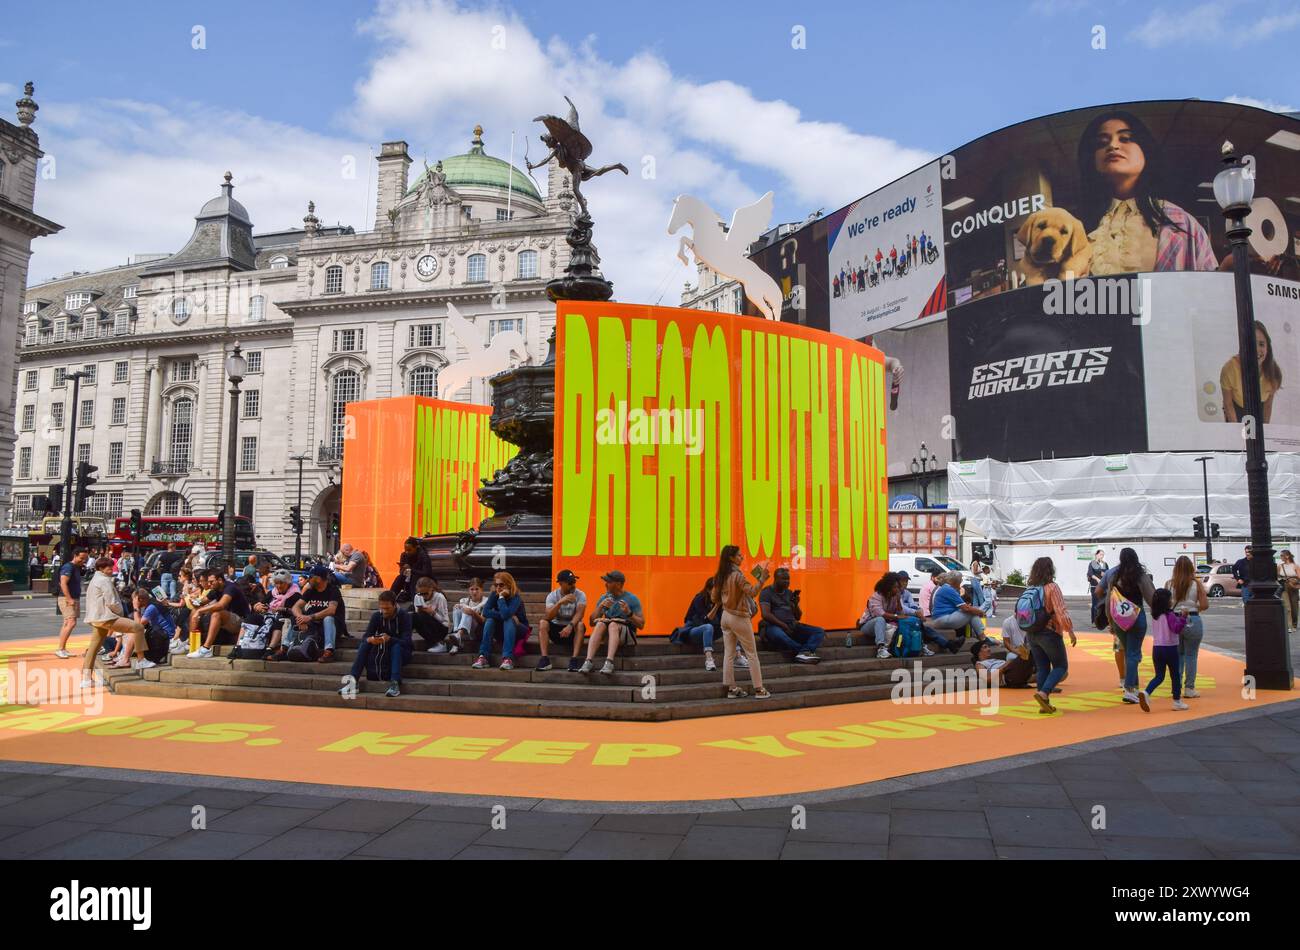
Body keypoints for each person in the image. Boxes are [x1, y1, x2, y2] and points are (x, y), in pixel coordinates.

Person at [1076, 110, 1218, 275]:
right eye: (1101, 142)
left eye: (1126, 139)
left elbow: (1208, 290)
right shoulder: (1075, 227)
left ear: (1146, 150)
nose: (1113, 146)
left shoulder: (1183, 222)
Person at [710, 545, 770, 699]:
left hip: (725, 616)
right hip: (739, 617)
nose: (742, 558)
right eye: (739, 555)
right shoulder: (737, 576)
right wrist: (762, 578)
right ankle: (759, 689)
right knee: (751, 654)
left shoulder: (720, 576)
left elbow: (713, 598)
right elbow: (753, 591)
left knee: (728, 654)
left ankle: (731, 688)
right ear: (732, 558)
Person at [1099, 546, 1157, 704]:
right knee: (1133, 654)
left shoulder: (1114, 576)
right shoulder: (1140, 575)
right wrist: (1159, 612)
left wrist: (1110, 621)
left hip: (1119, 620)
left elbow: (1108, 601)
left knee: (1128, 653)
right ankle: (1130, 689)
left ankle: (1134, 687)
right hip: (1136, 617)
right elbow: (1150, 596)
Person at [83, 557, 150, 687]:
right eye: (109, 568)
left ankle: (86, 679)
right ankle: (142, 660)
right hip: (106, 617)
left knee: (93, 648)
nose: (111, 570)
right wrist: (120, 613)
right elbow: (112, 602)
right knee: (138, 627)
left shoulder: (95, 580)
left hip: (96, 618)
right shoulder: (104, 581)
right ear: (101, 569)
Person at [1023, 557, 1076, 714]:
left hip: (1032, 632)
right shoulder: (1052, 587)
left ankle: (1044, 704)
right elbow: (1060, 611)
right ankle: (1044, 692)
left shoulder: (1030, 588)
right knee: (1061, 666)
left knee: (1042, 667)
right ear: (1050, 570)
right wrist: (1070, 630)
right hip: (1049, 632)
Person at [341, 590, 411, 698]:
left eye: (387, 608)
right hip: (382, 651)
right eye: (382, 608)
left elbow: (407, 643)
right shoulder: (377, 616)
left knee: (396, 647)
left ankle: (395, 684)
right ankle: (353, 682)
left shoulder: (405, 616)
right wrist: (371, 639)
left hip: (401, 652)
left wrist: (390, 639)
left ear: (395, 605)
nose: (384, 611)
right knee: (365, 644)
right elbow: (365, 637)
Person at [581, 570, 645, 675]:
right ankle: (588, 661)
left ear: (619, 584)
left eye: (609, 582)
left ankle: (609, 662)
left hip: (627, 637)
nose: (606, 584)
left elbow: (641, 625)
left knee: (613, 624)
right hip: (609, 636)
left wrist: (629, 613)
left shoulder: (632, 599)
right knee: (601, 623)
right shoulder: (604, 598)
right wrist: (600, 607)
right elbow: (592, 622)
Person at [1220, 321, 1283, 424]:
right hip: (1235, 407)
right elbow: (1228, 404)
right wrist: (1236, 430)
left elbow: (1267, 406)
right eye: (1251, 344)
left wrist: (1265, 431)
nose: (1257, 350)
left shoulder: (1274, 374)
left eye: (1261, 344)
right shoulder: (1229, 369)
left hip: (1258, 407)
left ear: (1268, 348)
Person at [1138, 588, 1190, 712]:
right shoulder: (1169, 615)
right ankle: (1177, 701)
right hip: (1170, 648)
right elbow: (1176, 629)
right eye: (1170, 598)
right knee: (1175, 676)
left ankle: (1146, 692)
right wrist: (1183, 618)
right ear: (1166, 601)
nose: (1172, 601)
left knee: (1159, 676)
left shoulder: (1155, 615)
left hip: (1157, 648)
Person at [759, 567, 825, 663]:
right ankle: (803, 651)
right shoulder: (766, 592)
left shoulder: (789, 593)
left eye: (788, 579)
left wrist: (795, 605)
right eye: (784, 579)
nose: (787, 582)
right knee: (779, 635)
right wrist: (783, 625)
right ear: (776, 579)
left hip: (792, 626)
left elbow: (798, 617)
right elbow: (765, 614)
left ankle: (803, 652)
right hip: (774, 626)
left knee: (819, 632)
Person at [1167, 555, 1209, 699]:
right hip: (1193, 619)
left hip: (1175, 621)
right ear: (1191, 568)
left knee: (1178, 655)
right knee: (1191, 655)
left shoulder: (1169, 584)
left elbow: (1166, 606)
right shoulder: (1196, 584)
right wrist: (1193, 606)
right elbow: (1204, 605)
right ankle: (1189, 688)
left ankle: (1176, 687)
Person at [186, 570, 252, 658]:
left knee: (217, 613)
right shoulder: (215, 590)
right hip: (228, 620)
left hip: (241, 621)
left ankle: (206, 649)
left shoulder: (230, 588)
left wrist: (200, 611)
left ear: (220, 580)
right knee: (194, 610)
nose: (209, 584)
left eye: (211, 582)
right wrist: (193, 600)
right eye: (208, 582)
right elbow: (200, 603)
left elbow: (221, 605)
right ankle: (191, 644)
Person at [290, 564, 349, 662]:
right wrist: (301, 618)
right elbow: (295, 607)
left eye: (311, 577)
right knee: (294, 618)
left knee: (328, 618)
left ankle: (329, 651)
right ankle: (284, 648)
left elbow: (331, 610)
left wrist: (309, 617)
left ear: (319, 579)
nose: (308, 579)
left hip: (333, 626)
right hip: (315, 625)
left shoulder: (333, 590)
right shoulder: (310, 591)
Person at [472, 572, 528, 671]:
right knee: (490, 620)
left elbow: (506, 615)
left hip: (519, 630)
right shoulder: (494, 595)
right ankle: (483, 657)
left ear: (509, 584)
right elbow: (485, 612)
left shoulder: (515, 597)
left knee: (509, 619)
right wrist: (503, 614)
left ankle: (507, 659)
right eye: (496, 585)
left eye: (501, 585)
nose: (498, 587)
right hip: (502, 629)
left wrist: (501, 598)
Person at [896, 571, 961, 655]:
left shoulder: (907, 593)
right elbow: (902, 609)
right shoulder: (896, 593)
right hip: (900, 619)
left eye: (906, 581)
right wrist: (916, 612)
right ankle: (948, 644)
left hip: (912, 619)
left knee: (926, 629)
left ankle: (948, 644)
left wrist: (918, 610)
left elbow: (913, 605)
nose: (905, 583)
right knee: (924, 629)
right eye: (903, 581)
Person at [539, 569, 587, 672]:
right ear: (561, 583)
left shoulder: (580, 594)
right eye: (570, 583)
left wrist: (570, 626)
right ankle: (544, 660)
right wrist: (559, 603)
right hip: (556, 630)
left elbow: (580, 614)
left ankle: (574, 660)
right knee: (543, 623)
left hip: (571, 630)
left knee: (580, 625)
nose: (573, 585)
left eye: (574, 581)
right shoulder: (552, 596)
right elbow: (548, 617)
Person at [670, 577, 721, 671]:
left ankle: (737, 655)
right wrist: (717, 606)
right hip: (693, 630)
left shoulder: (718, 602)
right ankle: (709, 659)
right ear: (709, 590)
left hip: (710, 632)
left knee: (731, 625)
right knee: (708, 627)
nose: (718, 593)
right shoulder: (699, 599)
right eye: (716, 590)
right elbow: (705, 620)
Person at [54, 548, 91, 660]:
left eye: (85, 558)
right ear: (75, 555)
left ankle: (62, 648)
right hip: (68, 598)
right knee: (71, 622)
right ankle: (60, 649)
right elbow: (63, 583)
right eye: (81, 558)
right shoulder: (68, 567)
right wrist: (69, 598)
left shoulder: (75, 567)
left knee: (67, 622)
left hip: (73, 597)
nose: (83, 560)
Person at [928, 571, 987, 641]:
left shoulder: (945, 588)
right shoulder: (948, 589)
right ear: (955, 582)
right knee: (971, 613)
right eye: (960, 581)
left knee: (972, 611)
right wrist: (981, 612)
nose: (961, 583)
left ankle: (980, 636)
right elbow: (966, 608)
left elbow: (962, 607)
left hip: (940, 618)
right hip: (942, 619)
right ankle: (982, 637)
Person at [859, 573, 906, 658]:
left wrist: (899, 602)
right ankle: (881, 649)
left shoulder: (894, 597)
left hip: (886, 624)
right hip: (868, 625)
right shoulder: (876, 596)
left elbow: (901, 614)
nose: (897, 589)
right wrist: (897, 616)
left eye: (898, 587)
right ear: (888, 587)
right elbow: (881, 614)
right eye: (895, 587)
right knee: (880, 619)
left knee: (909, 621)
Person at [260, 569, 304, 660]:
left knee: (279, 621)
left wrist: (283, 609)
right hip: (269, 617)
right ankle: (241, 646)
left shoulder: (295, 594)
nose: (278, 586)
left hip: (285, 619)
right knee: (252, 618)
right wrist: (259, 607)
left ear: (287, 582)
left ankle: (271, 648)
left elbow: (299, 611)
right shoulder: (271, 593)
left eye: (281, 583)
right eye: (276, 583)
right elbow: (262, 604)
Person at [446, 578, 487, 655]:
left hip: (476, 630)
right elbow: (462, 608)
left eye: (477, 589)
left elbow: (482, 621)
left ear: (481, 589)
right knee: (457, 608)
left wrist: (470, 611)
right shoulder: (464, 600)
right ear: (468, 590)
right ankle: (457, 638)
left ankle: (458, 636)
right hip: (465, 631)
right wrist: (461, 606)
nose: (474, 592)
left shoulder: (486, 601)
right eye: (472, 589)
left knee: (467, 611)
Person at [411, 576, 451, 651]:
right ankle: (406, 642)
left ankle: (440, 644)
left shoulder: (439, 597)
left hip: (441, 628)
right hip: (426, 625)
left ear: (431, 589)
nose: (423, 596)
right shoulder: (417, 597)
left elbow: (444, 620)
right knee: (413, 616)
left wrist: (433, 613)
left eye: (426, 593)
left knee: (423, 615)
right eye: (421, 594)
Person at [390, 536, 433, 603]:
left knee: (414, 578)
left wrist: (411, 569)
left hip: (422, 578)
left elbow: (427, 573)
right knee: (399, 578)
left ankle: (415, 602)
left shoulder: (423, 556)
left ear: (416, 548)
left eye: (409, 550)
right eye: (405, 550)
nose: (407, 552)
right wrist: (403, 569)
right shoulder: (404, 555)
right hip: (408, 577)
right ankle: (390, 599)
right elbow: (401, 572)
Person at [997, 614, 1036, 688]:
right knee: (1011, 658)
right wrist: (1016, 651)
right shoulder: (1008, 622)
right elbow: (1006, 642)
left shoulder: (1031, 620)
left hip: (1030, 650)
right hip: (1014, 651)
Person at [1280, 550, 1300, 634]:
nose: (1281, 557)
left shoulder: (1295, 566)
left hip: (1293, 587)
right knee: (1287, 607)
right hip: (1284, 587)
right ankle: (1289, 626)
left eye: (1282, 555)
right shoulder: (1280, 566)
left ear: (1287, 556)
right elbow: (1276, 576)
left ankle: (1294, 624)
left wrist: (1293, 578)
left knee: (1294, 607)